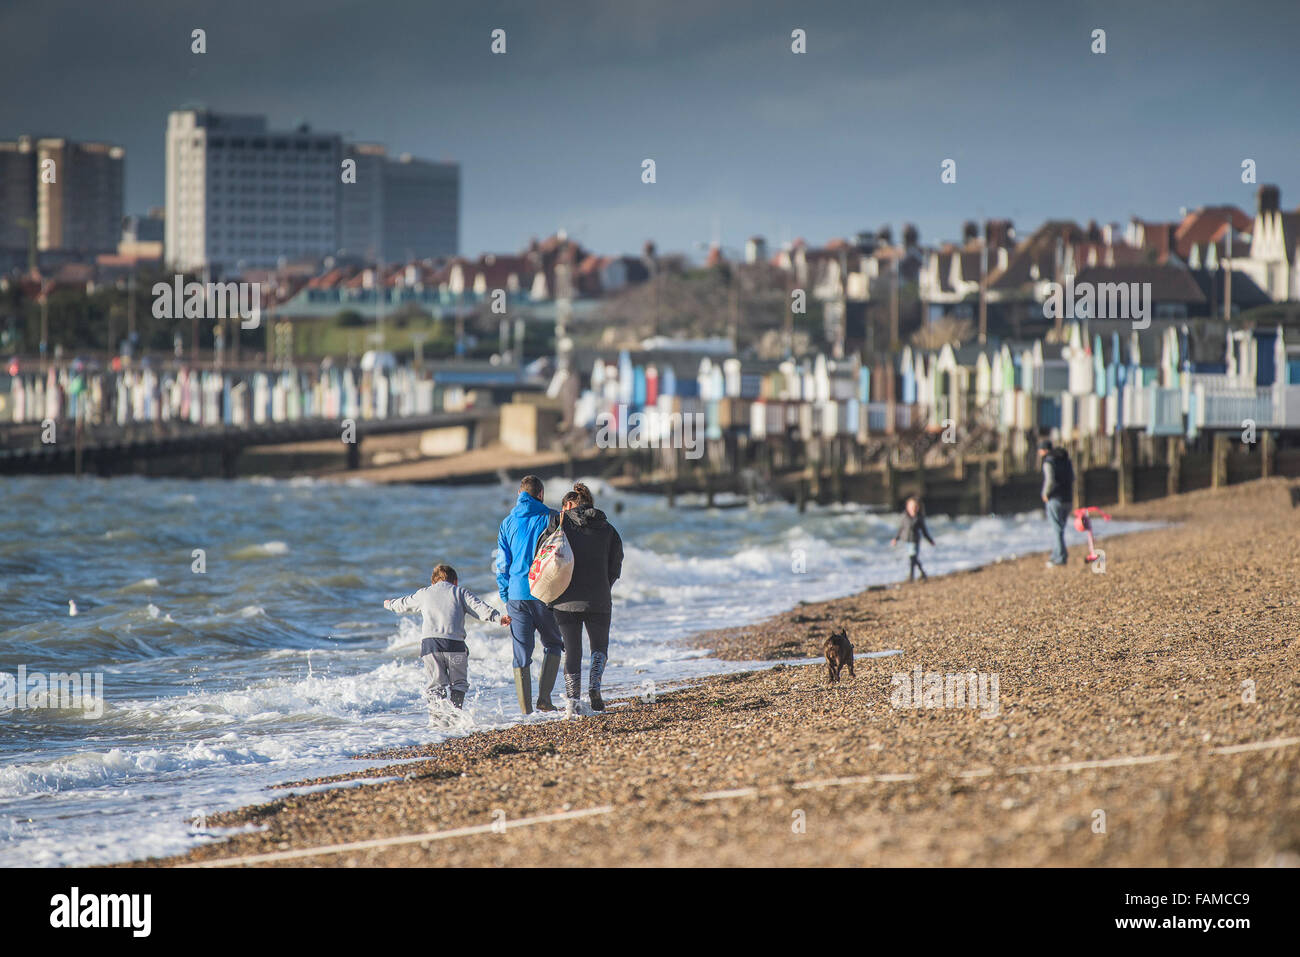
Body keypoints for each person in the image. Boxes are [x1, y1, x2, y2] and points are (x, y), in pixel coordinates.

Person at [536, 482, 623, 714]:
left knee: (573, 651)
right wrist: (604, 585)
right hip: (599, 598)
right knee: (599, 647)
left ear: (570, 505)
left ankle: (572, 702)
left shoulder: (559, 524)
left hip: (565, 599)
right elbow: (616, 565)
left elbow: (541, 557)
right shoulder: (608, 529)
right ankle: (595, 688)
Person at [384, 564, 510, 710]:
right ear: (455, 581)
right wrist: (499, 618)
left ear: (433, 582)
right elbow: (480, 608)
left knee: (435, 686)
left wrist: (389, 604)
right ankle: (456, 715)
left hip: (431, 647)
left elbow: (403, 603)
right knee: (459, 684)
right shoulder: (460, 592)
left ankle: (439, 720)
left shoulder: (425, 593)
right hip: (455, 647)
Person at [496, 475, 564, 714]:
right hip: (543, 592)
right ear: (541, 495)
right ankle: (544, 700)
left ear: (519, 494)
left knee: (521, 653)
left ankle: (525, 712)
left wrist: (506, 596)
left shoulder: (506, 523)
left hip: (516, 595)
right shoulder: (551, 517)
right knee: (554, 644)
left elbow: (502, 565)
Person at [1039, 439, 1074, 567]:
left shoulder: (1049, 462)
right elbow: (1072, 477)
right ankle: (1057, 554)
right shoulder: (1066, 460)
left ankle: (1060, 557)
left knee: (1056, 529)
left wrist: (1045, 493)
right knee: (1060, 528)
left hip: (1055, 499)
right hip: (1068, 498)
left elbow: (1050, 480)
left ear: (1044, 450)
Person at [890, 495, 935, 582]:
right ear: (907, 507)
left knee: (912, 558)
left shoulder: (919, 518)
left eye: (915, 507)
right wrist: (896, 539)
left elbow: (924, 531)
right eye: (912, 507)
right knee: (913, 558)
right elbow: (901, 529)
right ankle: (922, 573)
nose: (914, 509)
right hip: (907, 540)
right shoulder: (904, 517)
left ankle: (911, 576)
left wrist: (930, 541)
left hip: (915, 540)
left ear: (918, 508)